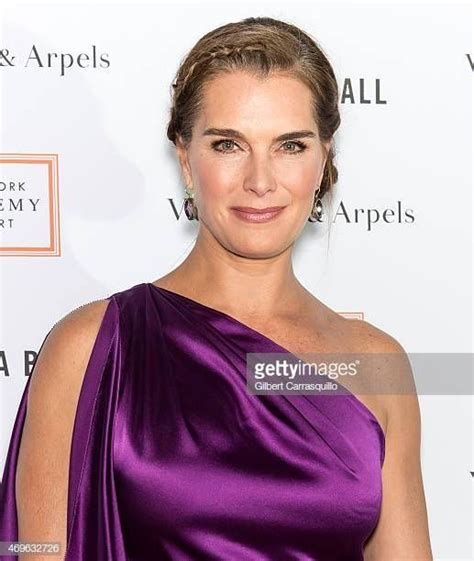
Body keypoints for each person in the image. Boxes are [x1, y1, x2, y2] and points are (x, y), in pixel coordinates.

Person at [0, 16, 433, 561]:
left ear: (324, 159)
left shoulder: (376, 364)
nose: (259, 180)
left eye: (290, 146)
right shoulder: (93, 347)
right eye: (229, 144)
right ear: (184, 158)